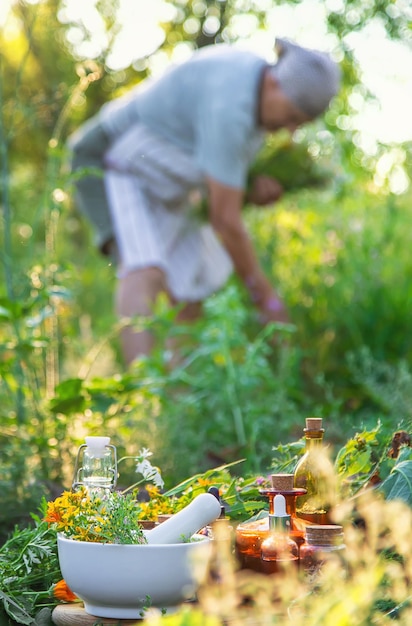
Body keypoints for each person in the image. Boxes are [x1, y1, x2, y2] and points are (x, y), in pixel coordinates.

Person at [68, 38, 340, 366]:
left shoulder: (255, 111)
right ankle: (141, 395)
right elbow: (224, 219)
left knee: (189, 283)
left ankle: (181, 403)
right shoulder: (233, 100)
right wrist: (265, 298)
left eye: (301, 124)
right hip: (115, 162)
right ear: (273, 82)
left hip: (169, 185)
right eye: (293, 116)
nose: (291, 131)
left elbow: (217, 189)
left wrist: (252, 193)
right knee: (146, 268)